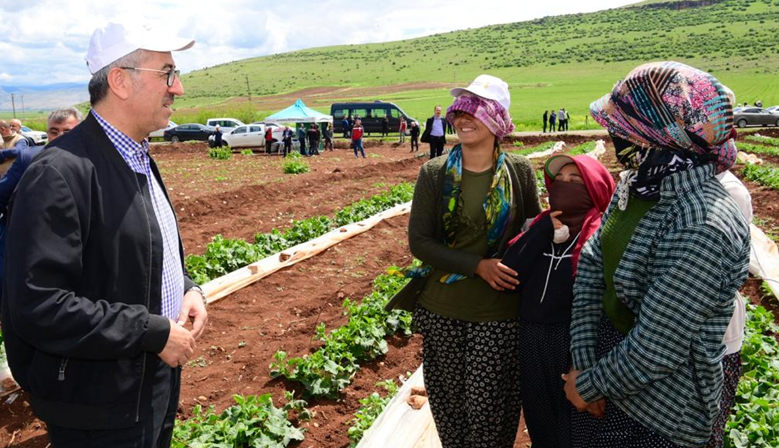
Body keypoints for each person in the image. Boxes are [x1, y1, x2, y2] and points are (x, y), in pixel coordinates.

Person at [1, 22, 208, 448]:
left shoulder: (137, 157)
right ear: (120, 81)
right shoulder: (59, 174)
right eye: (167, 73)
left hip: (147, 384)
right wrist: (152, 332)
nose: (179, 88)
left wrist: (187, 289)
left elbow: (142, 252)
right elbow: (39, 305)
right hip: (100, 407)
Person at [563, 61, 750, 448]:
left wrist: (589, 385)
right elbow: (592, 273)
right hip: (606, 370)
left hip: (659, 415)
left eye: (622, 126)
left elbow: (657, 347)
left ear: (655, 135)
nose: (613, 133)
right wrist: (583, 359)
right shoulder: (637, 185)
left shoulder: (704, 222)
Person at [406, 74, 541, 448]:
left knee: (491, 413)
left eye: (474, 113)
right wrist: (477, 265)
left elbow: (534, 232)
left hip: (498, 313)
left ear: (497, 120)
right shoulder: (434, 174)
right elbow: (420, 241)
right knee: (451, 412)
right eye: (459, 113)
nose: (463, 120)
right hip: (442, 308)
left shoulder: (519, 171)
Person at [502, 154, 614, 448]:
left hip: (573, 339)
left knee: (574, 422)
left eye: (575, 180)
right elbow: (510, 275)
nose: (564, 185)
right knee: (540, 417)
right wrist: (541, 232)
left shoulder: (603, 235)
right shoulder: (537, 227)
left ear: (594, 188)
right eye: (559, 180)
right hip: (531, 335)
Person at [0, 107, 83, 294]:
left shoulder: (92, 162)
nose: (60, 137)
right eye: (54, 132)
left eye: (67, 132)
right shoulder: (28, 158)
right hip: (31, 250)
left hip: (76, 250)